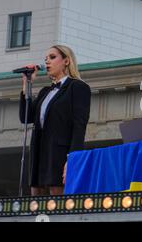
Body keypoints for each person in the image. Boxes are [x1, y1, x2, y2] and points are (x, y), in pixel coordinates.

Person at [19, 45, 91, 196]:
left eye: (52, 57)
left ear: (66, 61)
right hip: (39, 152)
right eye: (46, 59)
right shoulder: (45, 91)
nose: (47, 62)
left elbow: (79, 126)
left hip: (59, 153)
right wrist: (27, 84)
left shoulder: (78, 87)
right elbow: (25, 117)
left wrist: (73, 159)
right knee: (35, 199)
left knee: (57, 199)